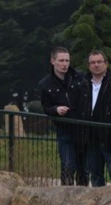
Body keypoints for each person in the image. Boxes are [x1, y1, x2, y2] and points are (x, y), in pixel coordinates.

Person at [73, 50, 111, 187]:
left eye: (99, 62)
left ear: (106, 64)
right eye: (93, 62)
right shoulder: (83, 84)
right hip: (90, 138)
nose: (96, 65)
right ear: (88, 66)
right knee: (95, 174)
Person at [38, 46, 86, 186]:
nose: (65, 64)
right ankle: (66, 196)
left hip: (82, 127)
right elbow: (46, 107)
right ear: (53, 61)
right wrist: (56, 109)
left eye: (67, 60)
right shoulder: (45, 84)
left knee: (83, 168)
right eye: (61, 60)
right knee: (68, 165)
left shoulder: (79, 78)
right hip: (64, 128)